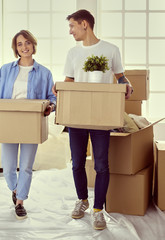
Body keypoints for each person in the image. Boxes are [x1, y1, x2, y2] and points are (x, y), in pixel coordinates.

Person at [52, 9, 133, 230]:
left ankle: (98, 210)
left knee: (101, 165)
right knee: (77, 163)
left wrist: (128, 85)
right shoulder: (73, 53)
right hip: (76, 116)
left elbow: (120, 77)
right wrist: (58, 87)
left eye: (72, 26)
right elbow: (69, 80)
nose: (70, 31)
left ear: (84, 24)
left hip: (102, 116)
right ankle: (82, 200)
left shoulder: (111, 50)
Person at [0, 30, 56, 220]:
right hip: (8, 121)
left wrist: (51, 106)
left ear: (33, 45)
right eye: (20, 44)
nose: (24, 47)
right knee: (8, 166)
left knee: (26, 166)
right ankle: (15, 189)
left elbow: (52, 97)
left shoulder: (45, 73)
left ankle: (20, 201)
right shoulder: (6, 69)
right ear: (16, 48)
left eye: (27, 42)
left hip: (31, 122)